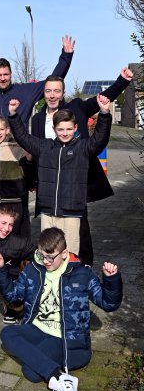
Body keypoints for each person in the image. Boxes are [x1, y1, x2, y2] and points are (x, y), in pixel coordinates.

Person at [0, 227, 122, 391]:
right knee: (7, 332)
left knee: (31, 372)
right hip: (37, 328)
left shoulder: (81, 273)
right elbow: (13, 295)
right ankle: (61, 380)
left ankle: (55, 376)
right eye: (42, 255)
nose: (46, 261)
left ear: (65, 253)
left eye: (51, 257)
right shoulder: (33, 269)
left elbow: (108, 303)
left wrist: (111, 280)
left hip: (63, 338)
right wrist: (0, 270)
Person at [31, 67, 133, 265]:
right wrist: (35, 180)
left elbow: (102, 99)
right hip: (51, 184)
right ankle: (52, 270)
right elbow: (37, 153)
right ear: (44, 93)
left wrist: (122, 81)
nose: (52, 96)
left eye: (57, 91)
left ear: (63, 93)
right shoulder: (36, 120)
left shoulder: (76, 108)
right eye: (48, 91)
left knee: (81, 231)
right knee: (50, 234)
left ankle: (84, 270)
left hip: (76, 182)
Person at [7, 95, 112, 255]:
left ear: (76, 128)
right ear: (54, 129)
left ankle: (69, 280)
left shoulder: (83, 148)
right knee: (48, 255)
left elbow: (99, 140)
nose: (65, 133)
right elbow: (24, 138)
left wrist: (104, 113)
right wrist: (13, 115)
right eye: (61, 129)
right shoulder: (45, 147)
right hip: (48, 212)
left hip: (72, 212)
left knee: (69, 256)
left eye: (69, 129)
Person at [0, 35, 75, 139]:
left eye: (5, 74)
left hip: (18, 150)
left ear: (11, 74)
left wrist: (66, 56)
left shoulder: (25, 91)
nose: (2, 78)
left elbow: (53, 81)